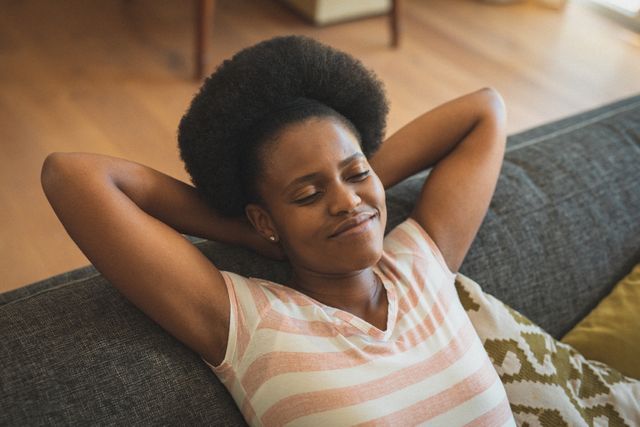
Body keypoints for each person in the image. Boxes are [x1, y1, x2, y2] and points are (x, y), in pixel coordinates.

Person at [41, 35, 514, 426]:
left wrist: (354, 189)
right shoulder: (250, 325)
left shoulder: (422, 262)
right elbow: (73, 175)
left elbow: (484, 110)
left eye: (357, 173)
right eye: (306, 195)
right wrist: (244, 230)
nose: (347, 200)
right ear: (264, 218)